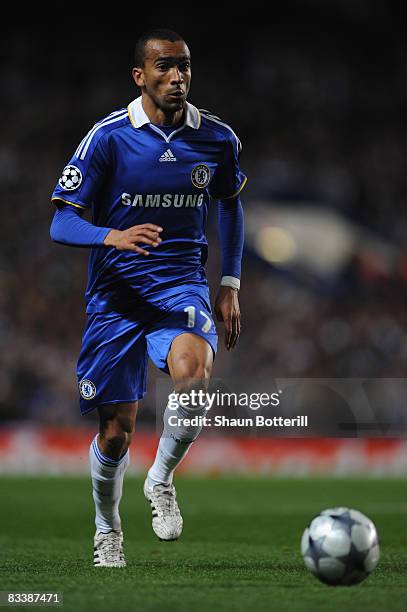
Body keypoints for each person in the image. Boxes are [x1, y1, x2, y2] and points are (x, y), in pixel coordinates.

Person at [50, 28, 246, 567]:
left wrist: (228, 284)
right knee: (116, 435)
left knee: (193, 369)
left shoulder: (217, 139)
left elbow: (229, 205)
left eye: (184, 66)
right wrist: (111, 236)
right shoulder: (108, 137)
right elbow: (61, 221)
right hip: (115, 297)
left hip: (179, 285)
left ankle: (160, 480)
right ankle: (107, 529)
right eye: (164, 67)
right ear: (140, 76)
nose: (177, 77)